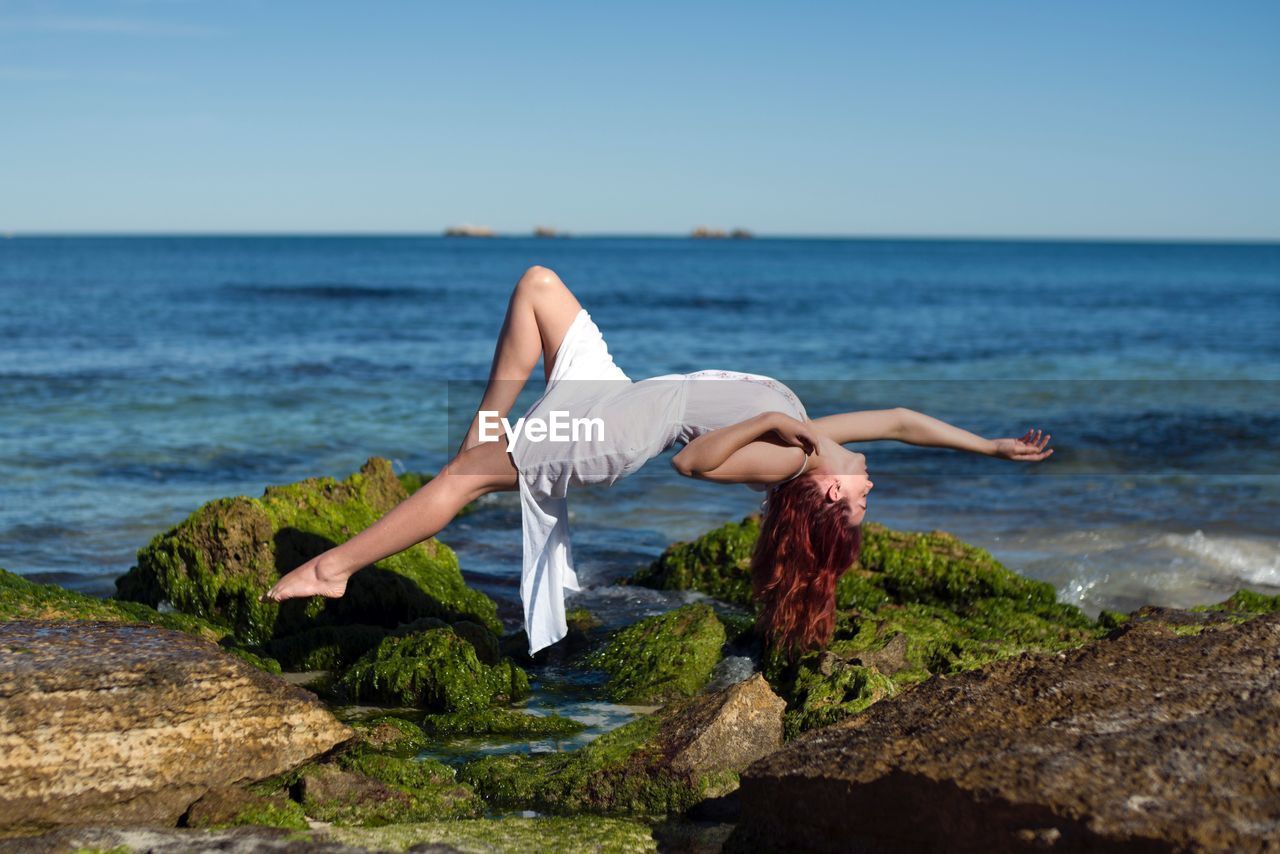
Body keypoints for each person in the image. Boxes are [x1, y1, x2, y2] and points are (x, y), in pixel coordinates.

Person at [259, 266, 1053, 657]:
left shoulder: (788, 459)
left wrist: (777, 425)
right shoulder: (817, 439)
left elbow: (693, 464)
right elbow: (906, 420)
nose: (868, 492)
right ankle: (488, 424)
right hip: (616, 388)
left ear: (821, 495)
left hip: (615, 434)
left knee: (463, 481)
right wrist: (988, 445)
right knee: (537, 285)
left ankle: (337, 567)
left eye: (854, 504)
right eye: (863, 499)